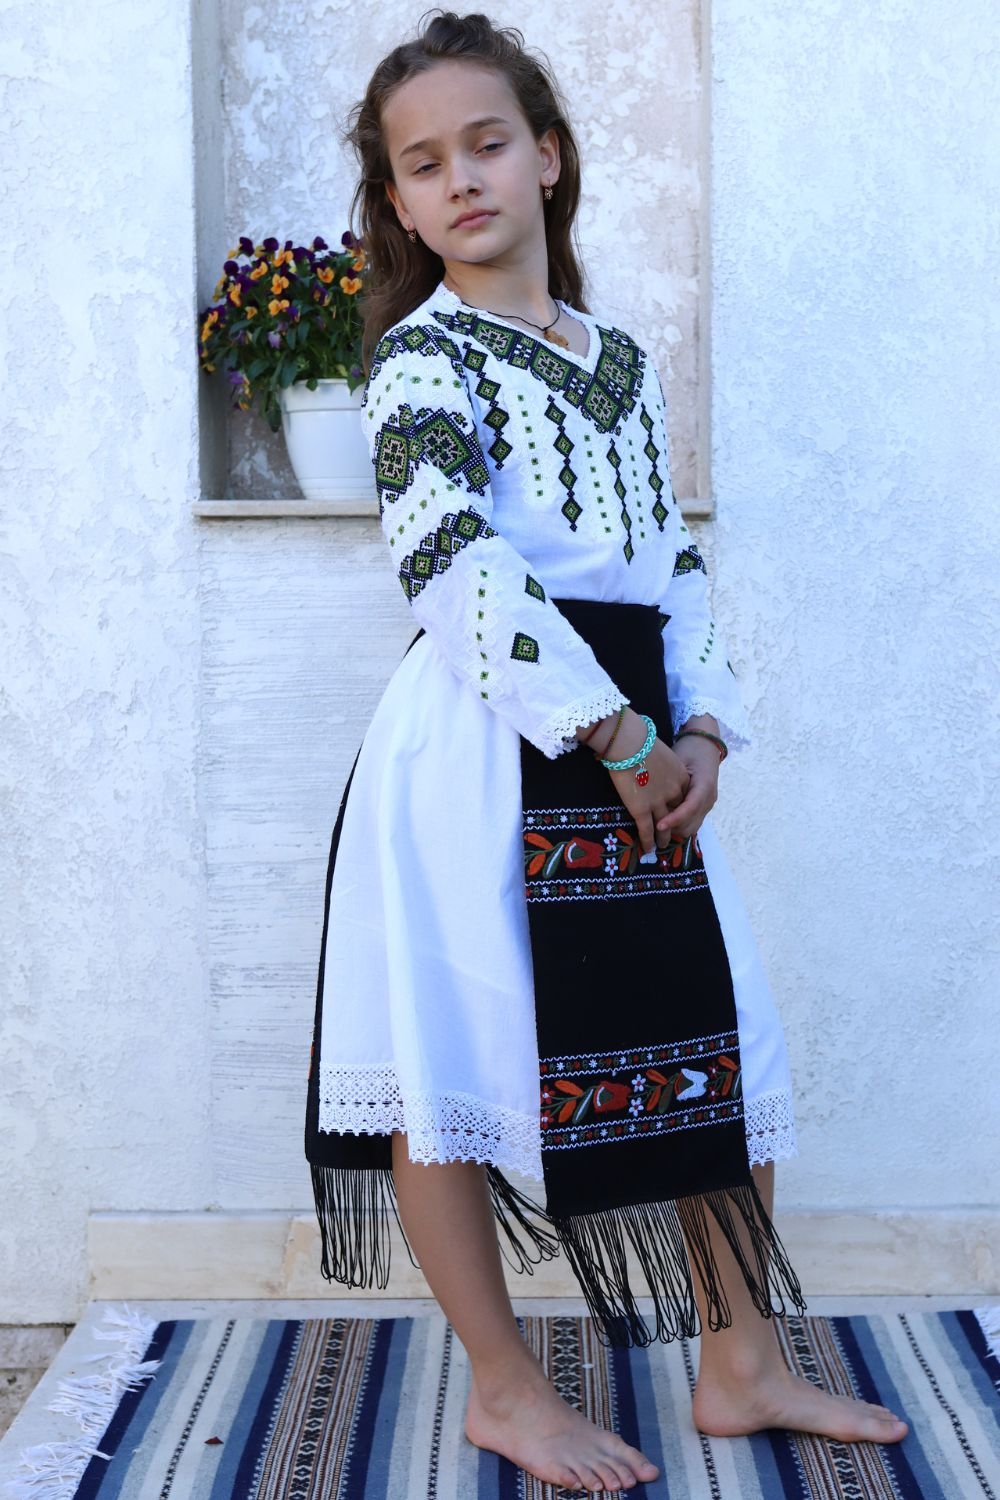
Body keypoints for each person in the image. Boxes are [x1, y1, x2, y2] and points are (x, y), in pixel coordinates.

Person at [304, 9, 909, 1490]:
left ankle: (741, 1362)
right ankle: (506, 1388)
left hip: (637, 733)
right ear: (399, 204)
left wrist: (698, 725)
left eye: (487, 144)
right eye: (422, 164)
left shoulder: (619, 359)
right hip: (482, 746)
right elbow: (450, 561)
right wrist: (612, 725)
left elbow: (671, 564)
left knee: (718, 1039)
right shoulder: (419, 360)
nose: (461, 179)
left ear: (550, 158)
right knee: (450, 1062)